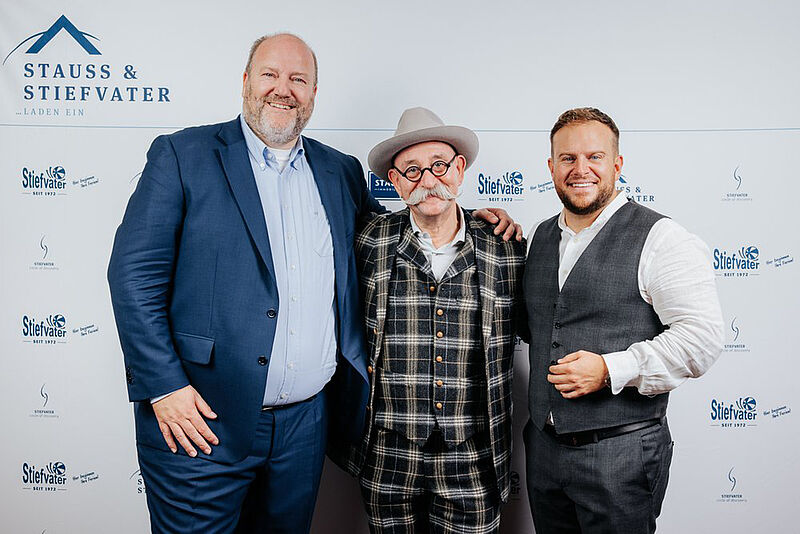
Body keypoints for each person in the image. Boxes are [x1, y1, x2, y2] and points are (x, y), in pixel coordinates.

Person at [107, 35, 520, 533]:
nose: (284, 90)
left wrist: (471, 219)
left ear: (314, 94)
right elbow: (133, 275)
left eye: (298, 79)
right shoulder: (182, 155)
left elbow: (408, 225)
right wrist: (163, 386)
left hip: (304, 429)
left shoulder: (338, 171)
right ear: (245, 83)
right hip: (201, 422)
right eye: (270, 75)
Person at [522, 107, 724, 534]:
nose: (581, 170)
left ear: (616, 164)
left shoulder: (661, 238)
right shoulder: (539, 236)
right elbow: (538, 326)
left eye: (594, 157)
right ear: (551, 167)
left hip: (622, 456)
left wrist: (612, 368)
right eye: (568, 159)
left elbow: (702, 340)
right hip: (543, 454)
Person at [347, 107, 527, 533]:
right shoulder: (369, 240)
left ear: (459, 169)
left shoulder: (506, 248)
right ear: (394, 181)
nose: (427, 180)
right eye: (411, 170)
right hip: (388, 453)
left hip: (473, 457)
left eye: (439, 166)